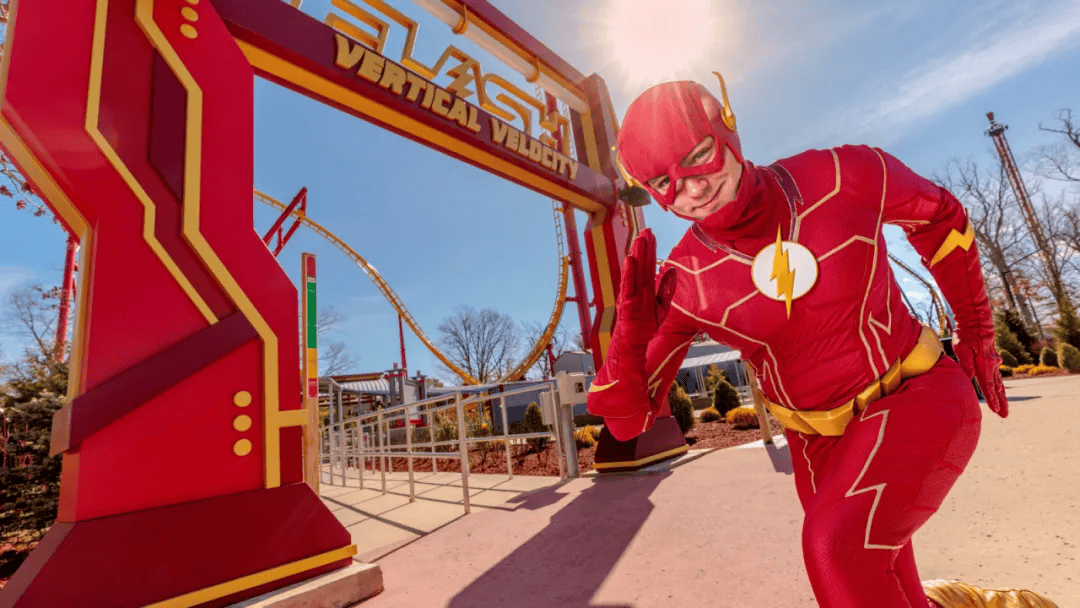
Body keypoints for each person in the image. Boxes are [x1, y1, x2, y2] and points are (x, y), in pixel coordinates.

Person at [587, 77, 1057, 607]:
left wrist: (978, 331)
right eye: (663, 182)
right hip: (816, 446)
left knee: (838, 548)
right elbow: (627, 426)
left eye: (699, 156)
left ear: (728, 128)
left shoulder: (843, 175)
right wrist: (627, 342)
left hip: (915, 391)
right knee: (881, 579)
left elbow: (941, 216)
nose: (692, 189)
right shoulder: (683, 280)